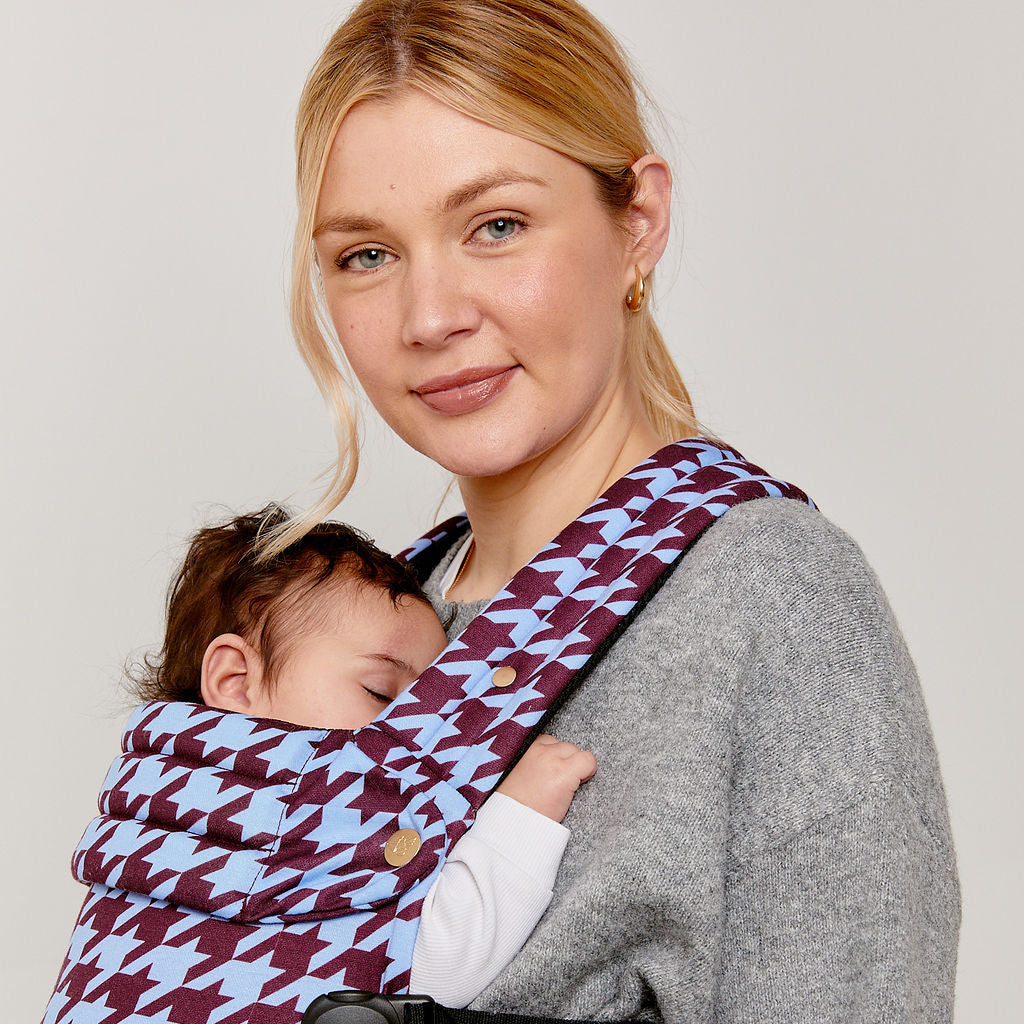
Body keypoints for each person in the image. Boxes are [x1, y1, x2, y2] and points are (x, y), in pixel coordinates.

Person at [267, 1, 962, 1022]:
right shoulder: (350, 628)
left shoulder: (772, 601)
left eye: (496, 226)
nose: (430, 317)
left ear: (637, 223)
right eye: (366, 255)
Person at [120, 505, 596, 1009]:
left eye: (434, 708)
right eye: (381, 693)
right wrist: (520, 814)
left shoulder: (159, 823)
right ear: (235, 681)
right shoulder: (284, 813)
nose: (418, 728)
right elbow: (417, 968)